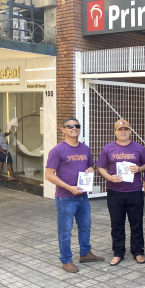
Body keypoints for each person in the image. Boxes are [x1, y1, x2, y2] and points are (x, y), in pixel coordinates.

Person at [45, 117, 104, 273]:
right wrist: (68, 187)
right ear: (63, 129)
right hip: (65, 198)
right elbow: (49, 175)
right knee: (65, 231)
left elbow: (89, 166)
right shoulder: (57, 150)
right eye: (70, 126)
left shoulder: (85, 149)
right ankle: (66, 260)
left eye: (77, 126)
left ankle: (85, 253)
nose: (74, 128)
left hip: (82, 197)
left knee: (85, 226)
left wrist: (91, 170)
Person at [97, 119, 145, 266]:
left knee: (136, 223)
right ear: (115, 132)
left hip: (134, 191)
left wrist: (139, 169)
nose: (123, 132)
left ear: (130, 131)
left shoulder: (138, 148)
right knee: (117, 224)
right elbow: (100, 167)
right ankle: (118, 252)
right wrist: (109, 177)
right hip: (115, 192)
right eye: (120, 129)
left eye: (126, 129)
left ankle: (138, 252)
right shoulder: (108, 148)